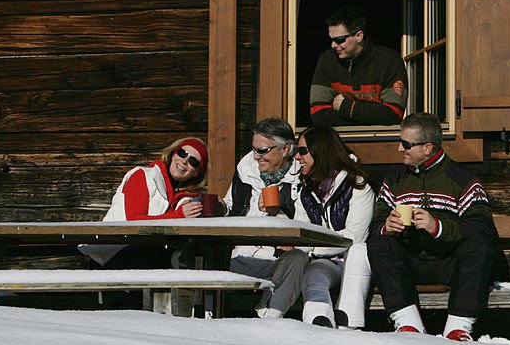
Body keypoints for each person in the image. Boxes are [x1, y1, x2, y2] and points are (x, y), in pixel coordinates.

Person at [367, 113, 498, 341]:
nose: (400, 149)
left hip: (450, 263)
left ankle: (458, 328)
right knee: (379, 242)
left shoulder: (462, 180)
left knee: (479, 246)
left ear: (427, 148)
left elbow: (481, 227)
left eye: (406, 144)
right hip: (410, 262)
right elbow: (375, 224)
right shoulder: (394, 180)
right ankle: (408, 325)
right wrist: (386, 227)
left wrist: (438, 227)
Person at [81, 137, 209, 268]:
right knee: (162, 258)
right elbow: (135, 221)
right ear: (173, 154)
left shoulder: (184, 196)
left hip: (145, 252)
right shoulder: (143, 176)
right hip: (112, 251)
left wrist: (222, 208)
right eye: (182, 153)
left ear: (197, 172)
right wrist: (178, 216)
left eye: (193, 161)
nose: (184, 161)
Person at [293, 126, 375, 328]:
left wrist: (313, 247)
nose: (297, 157)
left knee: (357, 251)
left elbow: (353, 237)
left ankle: (348, 322)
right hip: (326, 260)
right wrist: (296, 246)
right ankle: (318, 321)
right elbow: (302, 233)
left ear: (320, 151)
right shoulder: (306, 190)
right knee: (314, 273)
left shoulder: (358, 185)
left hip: (355, 261)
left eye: (302, 151)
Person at [222, 118, 303, 318]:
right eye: (254, 150)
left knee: (299, 259)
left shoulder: (301, 177)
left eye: (263, 151)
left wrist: (280, 216)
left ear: (285, 149)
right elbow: (231, 206)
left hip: (275, 260)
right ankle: (200, 321)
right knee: (195, 258)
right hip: (238, 256)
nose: (256, 156)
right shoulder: (245, 172)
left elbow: (307, 220)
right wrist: (219, 207)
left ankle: (271, 318)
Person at [309, 5, 409, 127]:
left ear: (359, 36)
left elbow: (393, 114)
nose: (333, 45)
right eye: (331, 40)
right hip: (336, 141)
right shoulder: (327, 60)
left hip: (379, 142)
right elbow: (319, 116)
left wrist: (345, 107)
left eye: (339, 40)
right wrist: (372, 115)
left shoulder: (389, 60)